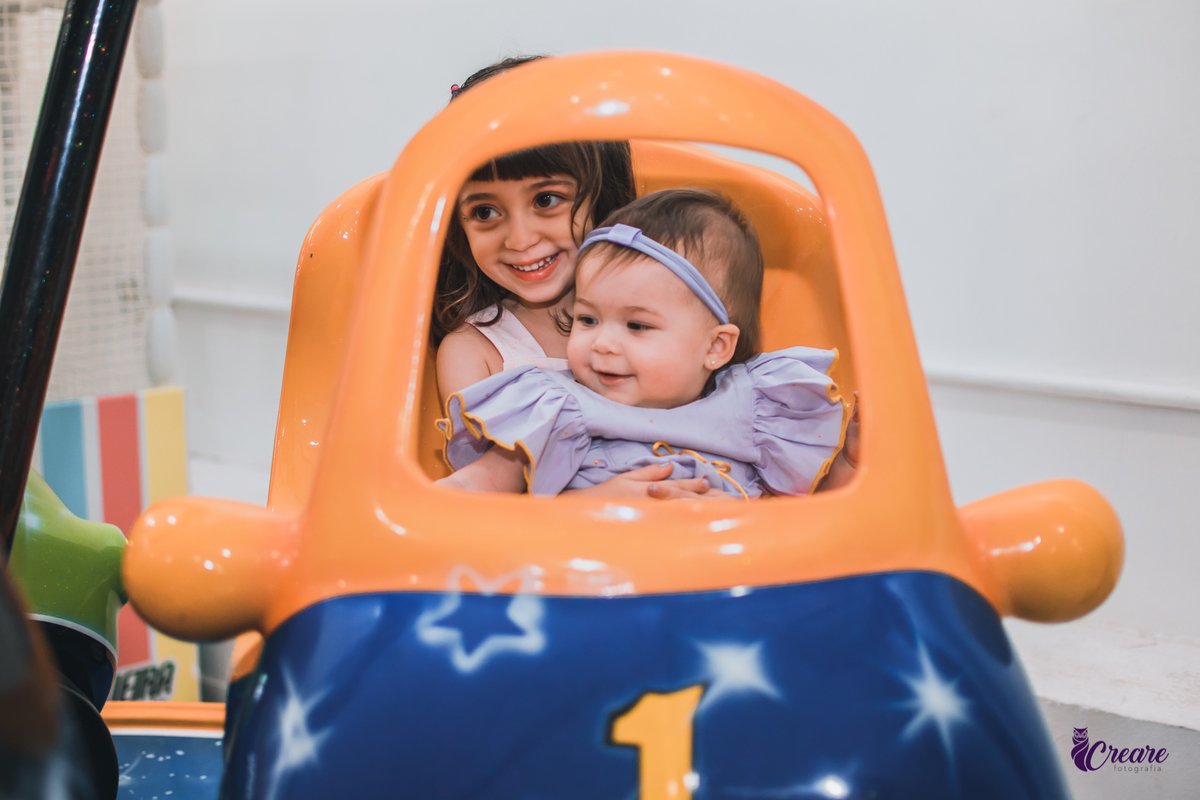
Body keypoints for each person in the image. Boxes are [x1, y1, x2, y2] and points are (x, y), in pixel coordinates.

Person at [436, 189, 856, 498]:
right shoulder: (555, 407)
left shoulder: (759, 409)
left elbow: (816, 512)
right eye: (587, 319)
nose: (602, 343)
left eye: (637, 326)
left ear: (716, 348)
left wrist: (852, 465)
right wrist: (591, 506)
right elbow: (474, 497)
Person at [433, 56, 723, 498]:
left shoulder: (668, 299)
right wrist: (594, 507)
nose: (520, 238)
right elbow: (487, 502)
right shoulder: (475, 353)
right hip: (558, 556)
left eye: (547, 199)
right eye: (485, 211)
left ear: (602, 196)